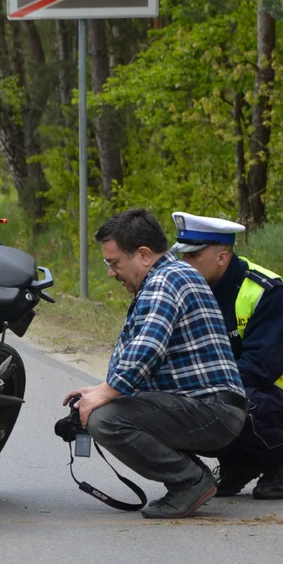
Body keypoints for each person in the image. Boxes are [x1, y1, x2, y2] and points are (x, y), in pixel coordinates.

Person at [63, 209, 247, 519]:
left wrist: (106, 393)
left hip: (212, 409)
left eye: (114, 262)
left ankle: (190, 481)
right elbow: (148, 359)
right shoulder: (169, 276)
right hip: (207, 406)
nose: (111, 272)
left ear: (145, 254)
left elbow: (147, 349)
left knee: (106, 420)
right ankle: (192, 476)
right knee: (106, 408)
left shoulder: (165, 280)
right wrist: (99, 390)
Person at [171, 211, 283, 500]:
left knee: (234, 403)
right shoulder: (193, 289)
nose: (185, 264)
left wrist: (202, 389)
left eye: (193, 256)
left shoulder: (266, 291)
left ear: (222, 257)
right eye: (183, 256)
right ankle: (240, 463)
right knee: (172, 403)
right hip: (243, 384)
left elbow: (262, 366)